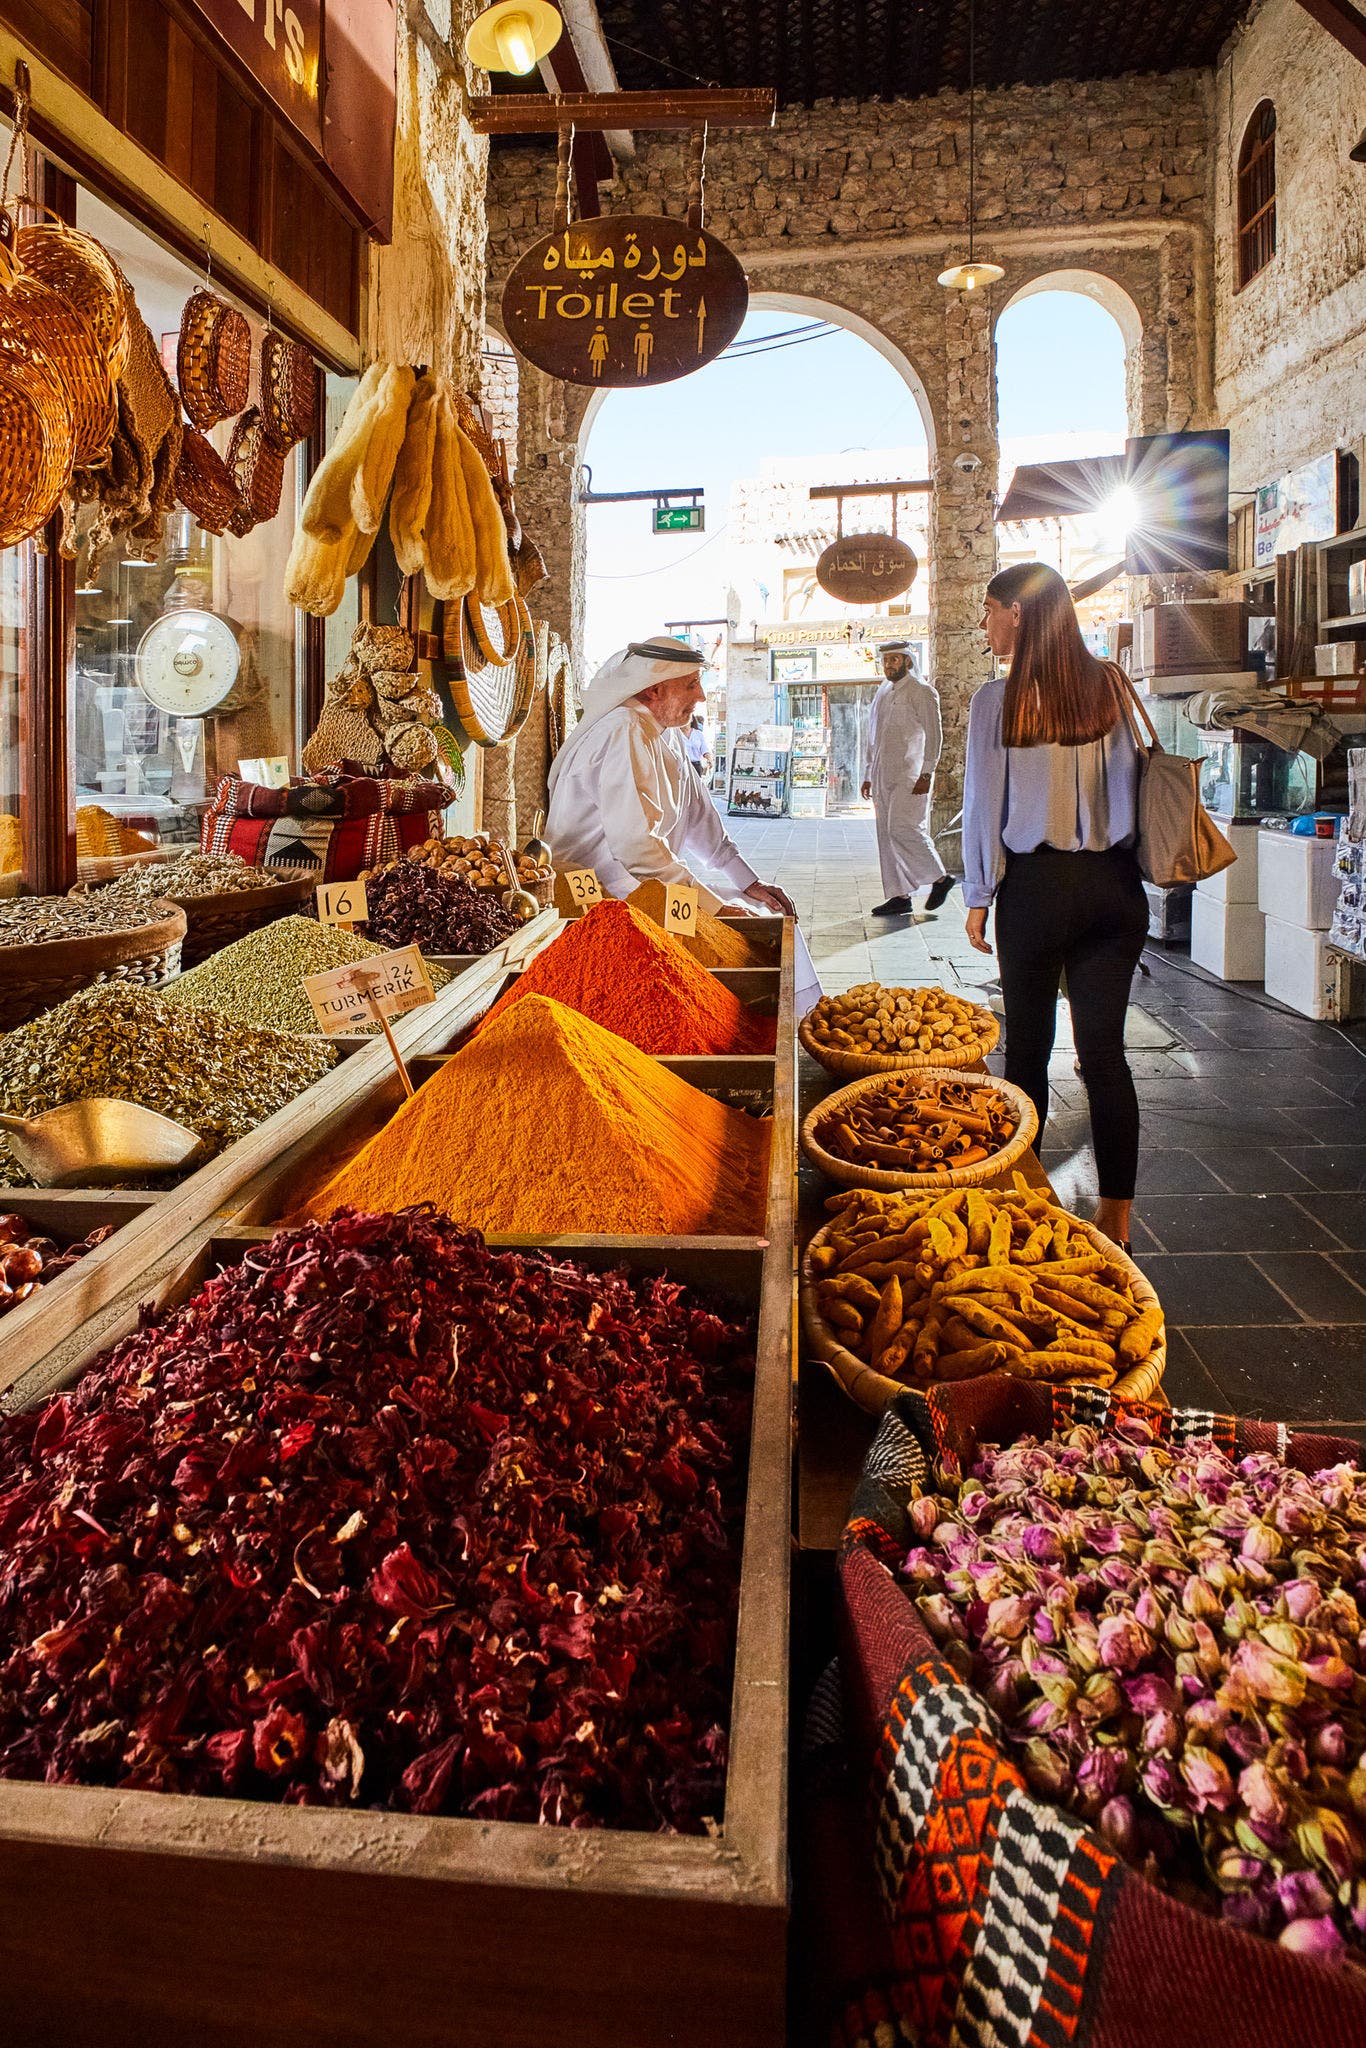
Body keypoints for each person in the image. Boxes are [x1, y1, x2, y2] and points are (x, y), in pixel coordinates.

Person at [961, 561, 1146, 1250]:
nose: (984, 626)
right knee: (1104, 1057)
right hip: (1114, 887)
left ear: (1019, 612)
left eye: (989, 611)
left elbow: (985, 808)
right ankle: (1117, 1223)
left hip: (1036, 892)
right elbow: (1130, 790)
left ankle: (1026, 1206)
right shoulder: (1112, 687)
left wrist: (978, 894)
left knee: (1030, 1053)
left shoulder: (997, 701)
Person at [546, 637, 795, 917]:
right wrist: (713, 909)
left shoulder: (667, 730)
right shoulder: (622, 731)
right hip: (595, 902)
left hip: (642, 892)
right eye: (691, 685)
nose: (701, 696)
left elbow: (698, 815)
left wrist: (747, 881)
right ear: (655, 690)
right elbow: (637, 846)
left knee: (768, 912)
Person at [861, 641, 955, 917]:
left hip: (911, 775)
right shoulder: (883, 691)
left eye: (895, 660)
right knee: (885, 835)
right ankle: (898, 895)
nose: (889, 665)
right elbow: (873, 736)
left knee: (903, 828)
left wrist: (927, 772)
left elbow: (934, 736)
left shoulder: (922, 692)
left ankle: (939, 878)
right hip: (882, 774)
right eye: (886, 660)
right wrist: (868, 773)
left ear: (908, 662)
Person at [685, 715, 713, 780]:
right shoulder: (677, 735)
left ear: (691, 720)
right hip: (683, 766)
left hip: (696, 765)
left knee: (696, 788)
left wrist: (709, 759)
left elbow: (704, 750)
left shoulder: (698, 734)